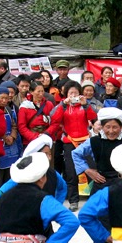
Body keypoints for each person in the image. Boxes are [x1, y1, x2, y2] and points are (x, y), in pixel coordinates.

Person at [46, 81, 97, 211]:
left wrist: (86, 106)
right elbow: (55, 119)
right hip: (69, 142)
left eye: (75, 92)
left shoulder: (84, 104)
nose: (73, 95)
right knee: (71, 172)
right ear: (66, 94)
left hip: (85, 141)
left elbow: (93, 118)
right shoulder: (62, 106)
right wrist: (63, 104)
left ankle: (94, 198)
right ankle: (73, 200)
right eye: (70, 93)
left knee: (92, 169)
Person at [18, 82, 54, 146]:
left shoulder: (49, 104)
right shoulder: (25, 106)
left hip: (46, 138)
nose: (41, 94)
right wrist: (35, 137)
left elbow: (54, 122)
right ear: (31, 92)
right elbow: (22, 127)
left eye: (42, 91)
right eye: (38, 91)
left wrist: (46, 134)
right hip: (30, 140)